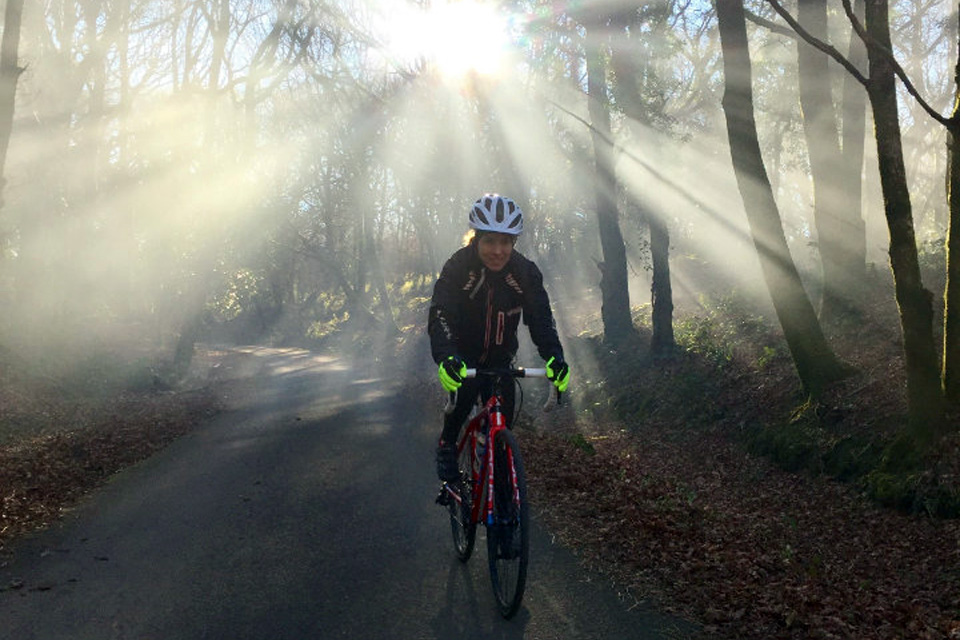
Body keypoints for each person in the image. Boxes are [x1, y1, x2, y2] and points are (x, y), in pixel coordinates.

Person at [427, 193, 570, 483]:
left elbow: (541, 318)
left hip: (501, 359)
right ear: (476, 239)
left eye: (505, 242)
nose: (498, 250)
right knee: (463, 398)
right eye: (490, 241)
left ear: (513, 243)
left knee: (501, 424)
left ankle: (499, 490)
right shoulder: (458, 267)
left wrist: (554, 356)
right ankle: (447, 445)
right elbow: (441, 313)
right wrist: (446, 357)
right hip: (463, 357)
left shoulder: (525, 273)